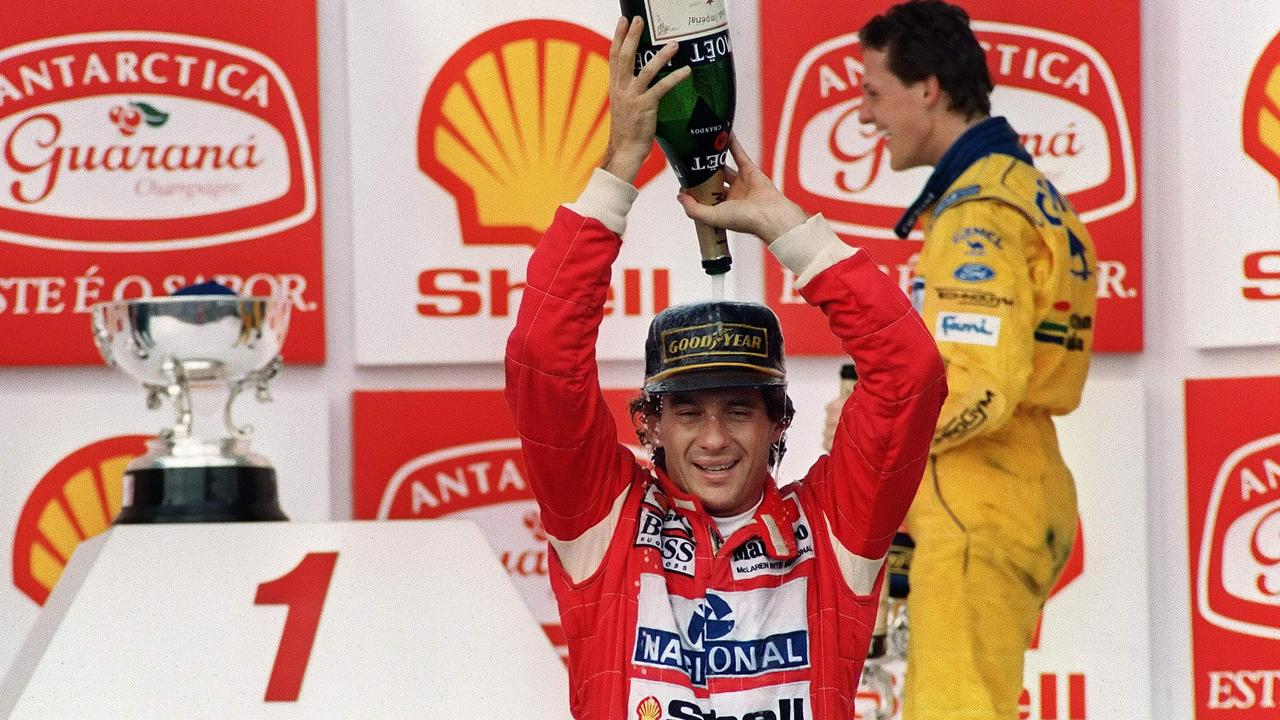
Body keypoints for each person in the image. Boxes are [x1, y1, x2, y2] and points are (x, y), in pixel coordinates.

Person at [504, 15, 946, 720]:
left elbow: (909, 373)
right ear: (648, 422)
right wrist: (621, 164)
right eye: (687, 411)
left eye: (739, 409)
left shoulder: (835, 526)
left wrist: (787, 229)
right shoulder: (605, 517)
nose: (713, 438)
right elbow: (540, 357)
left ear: (779, 422)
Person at [850, 2, 1100, 718]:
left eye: (873, 93)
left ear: (927, 88)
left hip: (976, 502)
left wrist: (871, 444)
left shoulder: (978, 210)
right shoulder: (1031, 193)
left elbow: (979, 389)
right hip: (1013, 486)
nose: (865, 117)